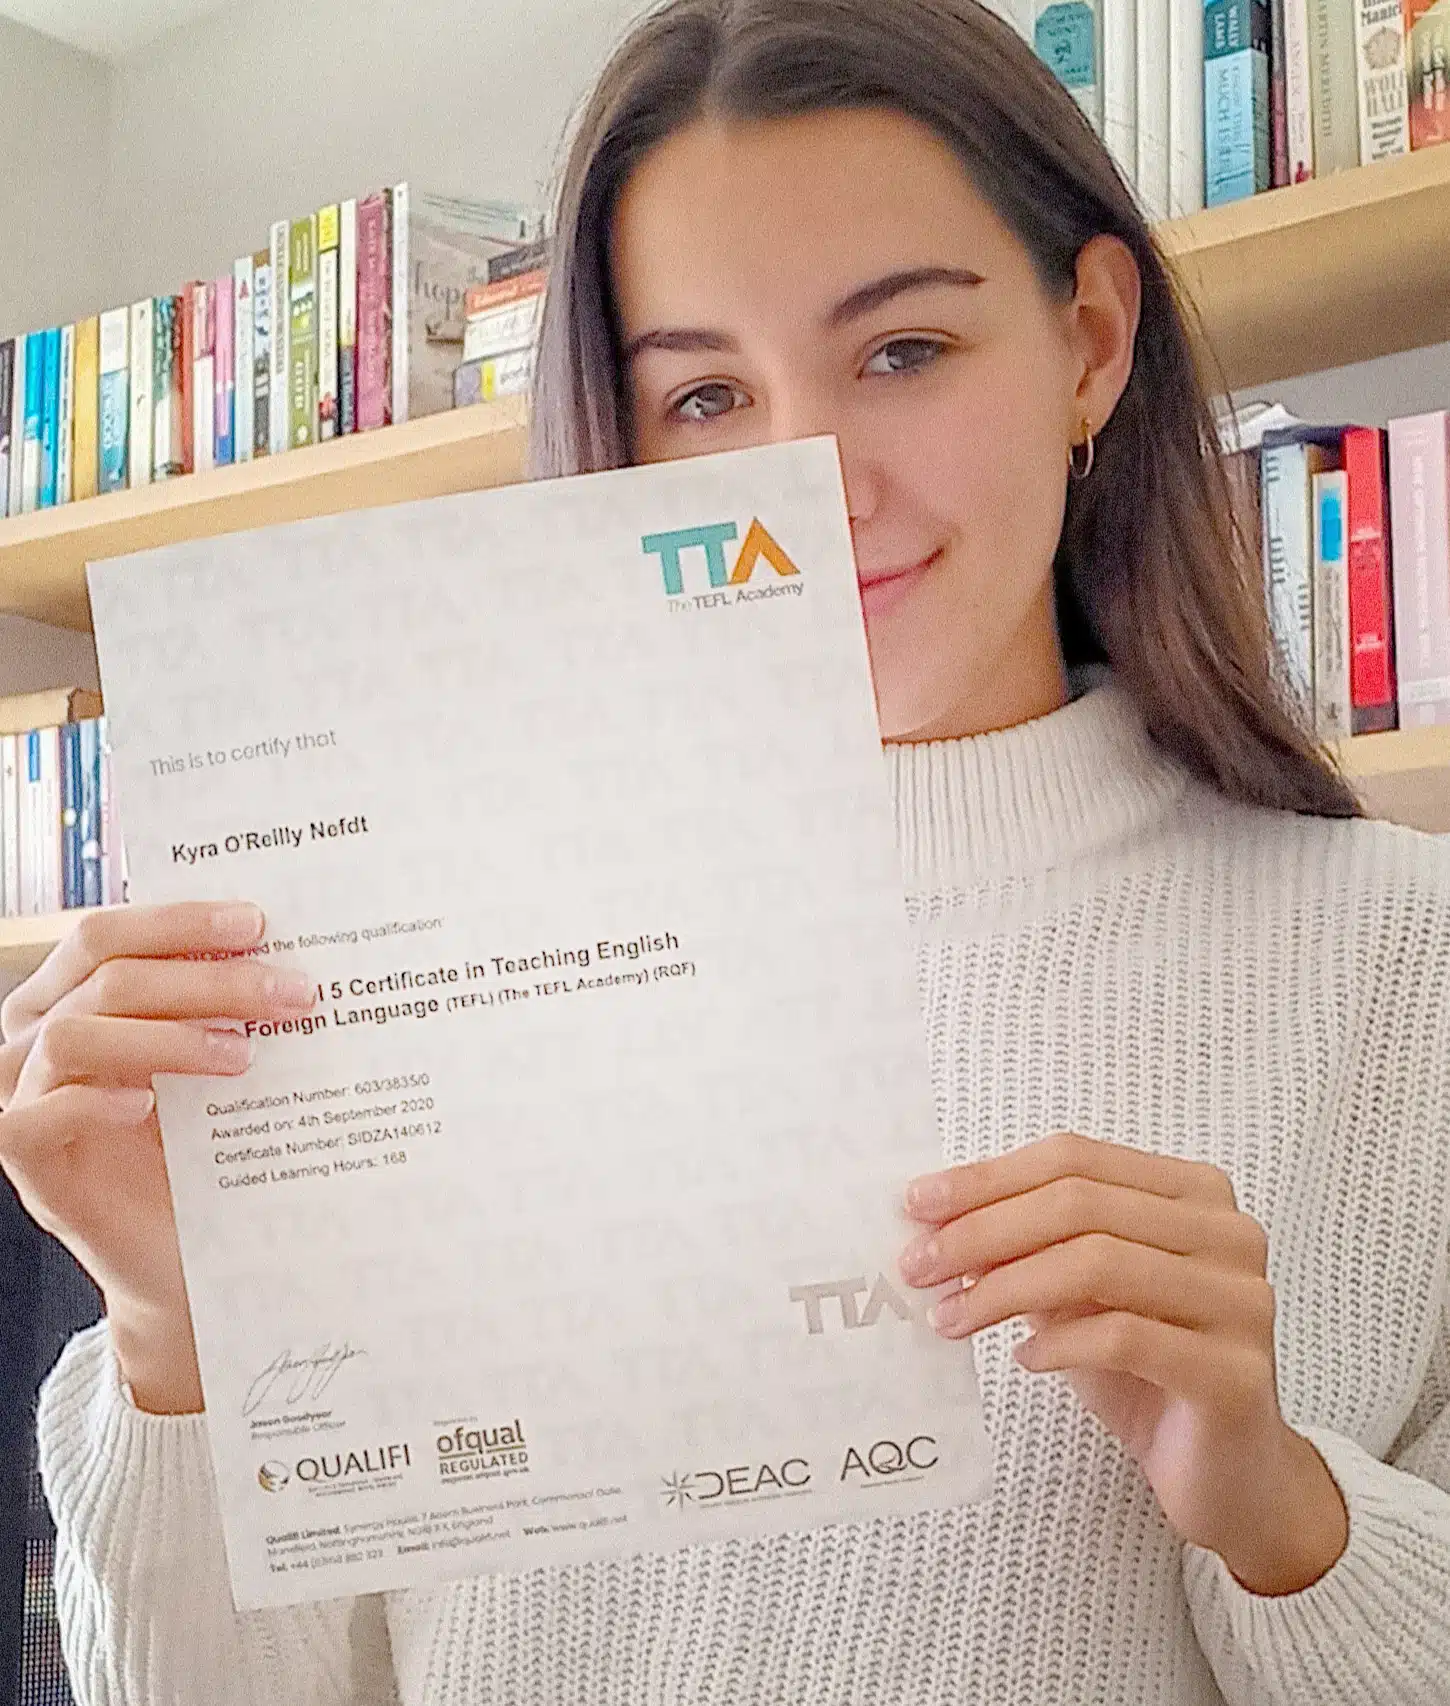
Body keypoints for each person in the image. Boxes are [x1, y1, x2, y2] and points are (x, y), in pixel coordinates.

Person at [4, 1, 1448, 1701]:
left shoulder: (1398, 960)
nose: (806, 480)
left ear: (1087, 342)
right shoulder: (408, 959)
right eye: (701, 393)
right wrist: (179, 1334)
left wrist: (1283, 1514)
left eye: (901, 351)